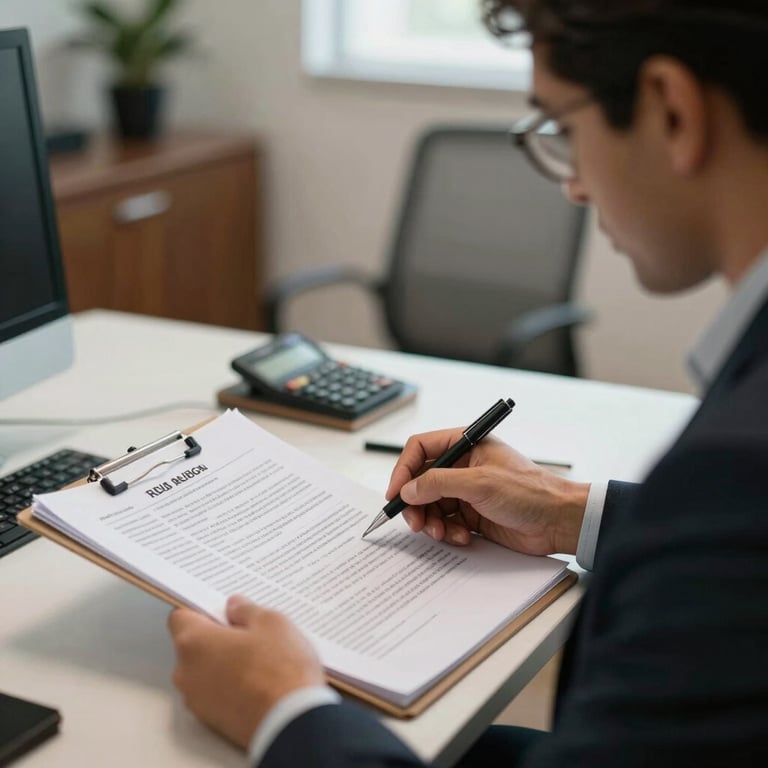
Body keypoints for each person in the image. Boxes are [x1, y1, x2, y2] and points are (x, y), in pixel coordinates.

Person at [167, 1, 768, 765]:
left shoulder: (736, 472)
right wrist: (566, 511)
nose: (575, 187)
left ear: (672, 111)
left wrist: (283, 711)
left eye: (564, 130)